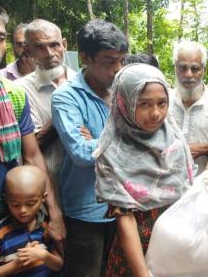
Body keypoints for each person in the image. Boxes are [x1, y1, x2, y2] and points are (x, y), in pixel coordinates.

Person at [94, 63, 208, 277]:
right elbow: (125, 219)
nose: (155, 113)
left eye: (162, 103)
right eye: (144, 104)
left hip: (177, 247)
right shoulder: (112, 151)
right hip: (138, 252)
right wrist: (142, 273)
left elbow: (186, 190)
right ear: (124, 102)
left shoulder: (174, 138)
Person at [51, 19, 128, 277]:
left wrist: (97, 140)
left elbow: (151, 141)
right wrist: (128, 138)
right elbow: (82, 154)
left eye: (121, 60)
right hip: (87, 212)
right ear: (85, 57)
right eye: (108, 61)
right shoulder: (66, 97)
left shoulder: (126, 91)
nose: (117, 69)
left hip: (126, 205)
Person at [0, 3, 64, 246]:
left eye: (0, 37)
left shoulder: (13, 96)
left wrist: (55, 214)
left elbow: (32, 156)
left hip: (9, 218)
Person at [15, 19, 76, 201]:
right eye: (40, 47)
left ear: (64, 45)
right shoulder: (20, 90)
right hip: (46, 192)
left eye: (54, 45)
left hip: (84, 194)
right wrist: (63, 110)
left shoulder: (84, 82)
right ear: (28, 50)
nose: (49, 54)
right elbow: (30, 147)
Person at [0, 165, 63, 276]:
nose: (23, 210)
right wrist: (19, 262)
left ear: (43, 198)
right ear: (6, 199)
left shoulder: (45, 226)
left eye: (30, 204)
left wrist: (44, 256)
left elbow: (59, 265)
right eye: (15, 204)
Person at [169, 41, 208, 175]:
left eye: (195, 68)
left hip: (205, 189)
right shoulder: (163, 102)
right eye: (182, 68)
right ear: (175, 68)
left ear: (203, 70)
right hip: (166, 189)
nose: (188, 74)